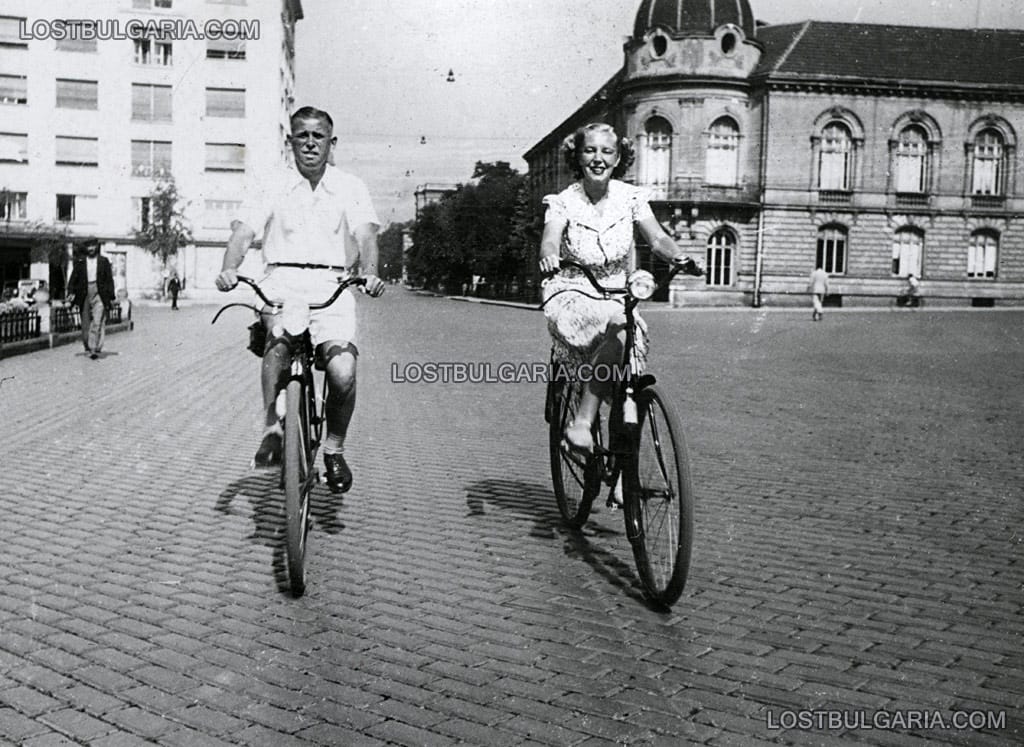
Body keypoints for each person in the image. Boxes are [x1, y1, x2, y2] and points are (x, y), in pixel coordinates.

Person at [215, 106, 385, 493]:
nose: (310, 143)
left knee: (342, 371)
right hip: (281, 280)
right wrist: (228, 268)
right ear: (289, 141)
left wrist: (370, 272)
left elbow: (366, 236)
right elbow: (243, 233)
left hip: (331, 283)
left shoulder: (350, 186)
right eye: (302, 136)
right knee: (277, 340)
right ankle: (272, 429)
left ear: (331, 142)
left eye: (318, 136)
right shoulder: (269, 183)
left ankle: (334, 448)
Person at [538, 122, 699, 454]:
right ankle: (582, 423)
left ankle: (626, 477)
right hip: (574, 291)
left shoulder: (631, 198)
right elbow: (551, 238)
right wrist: (550, 257)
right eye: (590, 150)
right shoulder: (564, 201)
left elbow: (656, 238)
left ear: (618, 158)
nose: (598, 159)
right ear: (577, 156)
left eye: (607, 151)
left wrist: (679, 256)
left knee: (631, 379)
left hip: (616, 292)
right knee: (620, 331)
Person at [67, 237, 116, 359]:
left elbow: (109, 279)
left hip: (99, 292)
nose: (91, 248)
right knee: (85, 322)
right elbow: (73, 278)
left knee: (98, 320)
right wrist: (71, 291)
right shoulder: (80, 262)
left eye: (93, 246)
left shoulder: (104, 261)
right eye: (89, 246)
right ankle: (88, 345)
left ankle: (93, 348)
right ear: (86, 248)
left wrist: (111, 296)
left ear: (97, 247)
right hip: (84, 292)